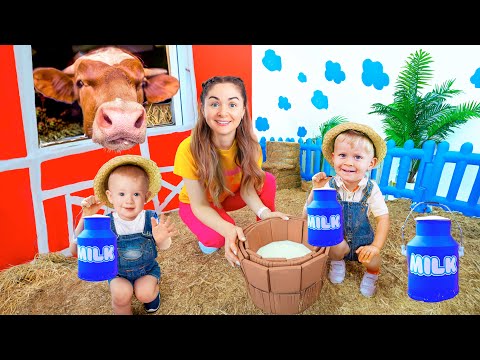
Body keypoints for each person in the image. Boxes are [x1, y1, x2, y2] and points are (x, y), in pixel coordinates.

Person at [173, 75, 289, 268]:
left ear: (243, 110)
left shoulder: (251, 147)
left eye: (232, 104)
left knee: (267, 180)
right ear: (203, 109)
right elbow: (199, 204)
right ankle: (210, 236)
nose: (223, 112)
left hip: (228, 195)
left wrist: (264, 212)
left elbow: (247, 189)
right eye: (214, 104)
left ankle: (264, 226)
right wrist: (227, 228)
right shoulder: (189, 149)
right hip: (203, 203)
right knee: (216, 240)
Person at [70, 155, 176, 315]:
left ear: (146, 196)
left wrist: (162, 239)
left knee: (145, 293)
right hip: (117, 273)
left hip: (147, 270)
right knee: (121, 296)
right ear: (110, 196)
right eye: (121, 194)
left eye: (136, 194)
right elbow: (75, 251)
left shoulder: (150, 218)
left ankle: (153, 294)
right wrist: (86, 219)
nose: (129, 201)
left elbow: (165, 246)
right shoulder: (104, 223)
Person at [302, 122, 390, 297]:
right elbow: (306, 216)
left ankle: (372, 275)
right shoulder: (329, 185)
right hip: (338, 239)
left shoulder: (371, 189)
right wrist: (316, 190)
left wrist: (375, 246)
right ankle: (337, 262)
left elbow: (383, 219)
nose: (349, 162)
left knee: (373, 259)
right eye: (343, 155)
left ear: (370, 163)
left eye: (357, 157)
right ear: (333, 158)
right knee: (333, 245)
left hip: (363, 241)